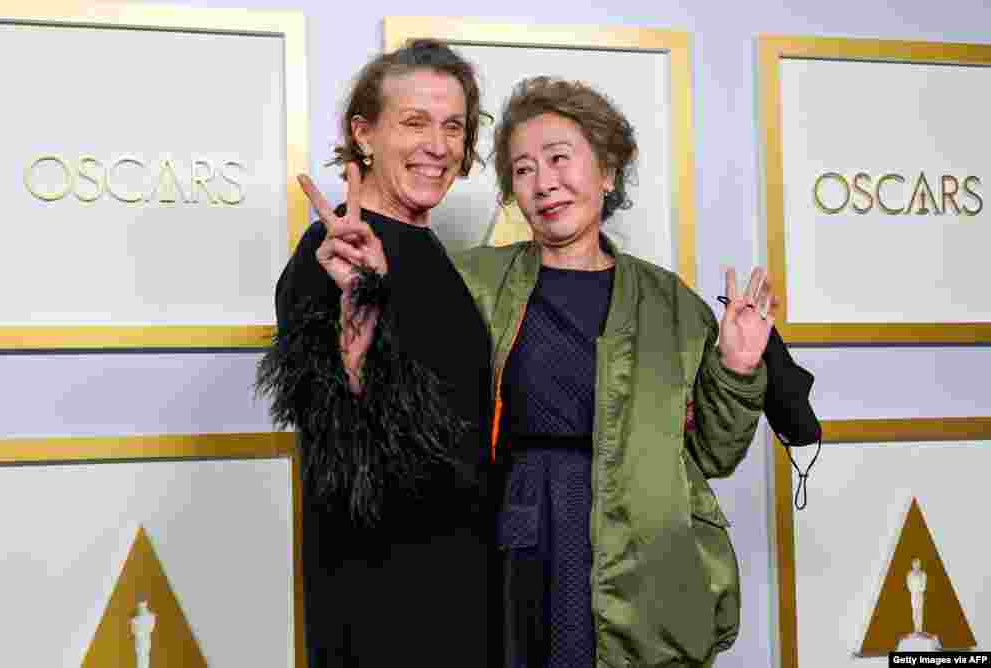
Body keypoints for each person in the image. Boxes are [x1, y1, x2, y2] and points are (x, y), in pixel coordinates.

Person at [319, 75, 774, 667]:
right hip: (516, 544)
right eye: (524, 170)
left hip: (643, 561)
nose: (544, 183)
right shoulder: (471, 281)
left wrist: (738, 367)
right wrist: (369, 298)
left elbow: (715, 452)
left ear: (607, 172)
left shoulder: (669, 302)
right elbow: (400, 405)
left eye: (560, 159)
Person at [255, 40, 497, 668]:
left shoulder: (434, 252)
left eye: (453, 126)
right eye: (414, 122)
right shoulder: (331, 255)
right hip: (381, 595)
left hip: (465, 582)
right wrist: (360, 329)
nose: (438, 145)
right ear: (364, 134)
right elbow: (345, 449)